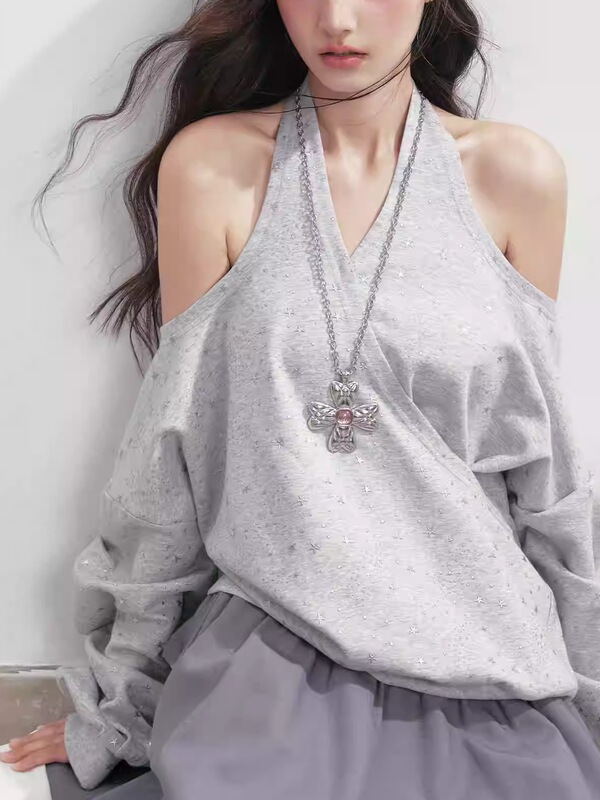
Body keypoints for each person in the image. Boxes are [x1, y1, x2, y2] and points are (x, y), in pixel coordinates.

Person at [3, 0, 600, 797]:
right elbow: (169, 460)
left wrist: (590, 693)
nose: (338, 19)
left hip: (490, 657)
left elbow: (549, 476)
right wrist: (123, 706)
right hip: (275, 646)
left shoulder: (516, 175)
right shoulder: (214, 167)